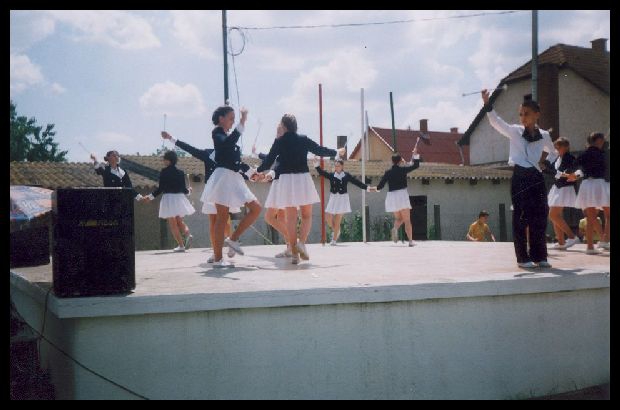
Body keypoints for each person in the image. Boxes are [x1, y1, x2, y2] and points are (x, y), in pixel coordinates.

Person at [481, 90, 556, 268]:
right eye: (521, 114)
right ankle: (523, 258)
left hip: (536, 176)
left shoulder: (544, 135)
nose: (523, 117)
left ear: (537, 115)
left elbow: (553, 153)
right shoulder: (515, 131)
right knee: (521, 217)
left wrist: (546, 164)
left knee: (540, 215)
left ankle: (540, 256)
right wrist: (487, 103)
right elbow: (496, 122)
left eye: (526, 113)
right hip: (520, 175)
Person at [257, 114, 342, 264]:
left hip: (286, 180)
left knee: (290, 218)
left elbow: (268, 160)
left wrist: (256, 172)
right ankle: (301, 243)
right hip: (302, 179)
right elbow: (319, 150)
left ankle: (295, 254)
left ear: (284, 126)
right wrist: (336, 152)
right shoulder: (303, 139)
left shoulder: (279, 141)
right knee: (306, 215)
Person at [161, 131, 239, 261]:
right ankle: (216, 252)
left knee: (224, 219)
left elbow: (238, 167)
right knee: (213, 222)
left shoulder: (231, 153)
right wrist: (171, 138)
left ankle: (230, 241)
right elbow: (190, 149)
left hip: (225, 189)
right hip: (211, 190)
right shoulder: (207, 153)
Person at [201, 106, 262, 267]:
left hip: (235, 178)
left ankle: (233, 239)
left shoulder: (227, 137)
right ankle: (218, 259)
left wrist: (251, 173)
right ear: (221, 118)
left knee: (256, 208)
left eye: (235, 120)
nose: (233, 122)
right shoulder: (217, 133)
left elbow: (236, 162)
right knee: (221, 218)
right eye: (231, 119)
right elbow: (227, 145)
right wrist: (242, 123)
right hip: (223, 177)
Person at [142, 151, 195, 252]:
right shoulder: (180, 172)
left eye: (164, 159)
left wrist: (150, 197)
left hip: (169, 199)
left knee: (173, 224)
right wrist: (189, 191)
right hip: (179, 198)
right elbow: (184, 189)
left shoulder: (164, 172)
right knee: (179, 221)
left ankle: (181, 246)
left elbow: (160, 189)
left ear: (168, 160)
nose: (163, 161)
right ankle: (188, 234)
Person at [566, 132, 610, 254]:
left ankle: (590, 247)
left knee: (590, 218)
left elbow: (576, 167)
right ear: (599, 140)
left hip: (586, 185)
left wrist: (575, 175)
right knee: (607, 214)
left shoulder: (584, 154)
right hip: (599, 184)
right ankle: (605, 240)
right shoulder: (603, 154)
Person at [313, 157, 373, 245]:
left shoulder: (346, 175)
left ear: (342, 166)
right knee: (328, 217)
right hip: (333, 198)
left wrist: (367, 188)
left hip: (342, 199)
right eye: (335, 166)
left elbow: (356, 182)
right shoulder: (332, 175)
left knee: (337, 220)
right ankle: (336, 231)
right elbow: (322, 173)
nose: (336, 167)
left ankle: (334, 240)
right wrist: (316, 165)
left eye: (338, 166)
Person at [373, 149, 420, 247]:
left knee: (399, 218)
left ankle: (395, 228)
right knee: (407, 220)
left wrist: (373, 189)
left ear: (392, 161)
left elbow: (380, 186)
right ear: (400, 161)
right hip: (402, 195)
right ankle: (410, 241)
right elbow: (416, 165)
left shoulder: (388, 172)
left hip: (392, 197)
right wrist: (415, 155)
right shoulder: (403, 170)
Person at [254, 141, 291, 258]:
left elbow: (276, 166)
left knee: (269, 217)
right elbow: (268, 158)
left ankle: (294, 241)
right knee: (281, 219)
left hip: (280, 187)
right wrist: (256, 153)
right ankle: (290, 247)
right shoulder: (280, 154)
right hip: (282, 186)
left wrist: (268, 175)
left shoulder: (284, 155)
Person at [543, 137, 580, 250]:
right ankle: (561, 242)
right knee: (555, 215)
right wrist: (545, 167)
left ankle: (572, 237)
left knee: (553, 215)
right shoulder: (557, 158)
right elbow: (551, 170)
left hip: (565, 188)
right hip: (557, 187)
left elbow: (569, 173)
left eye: (559, 146)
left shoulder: (570, 158)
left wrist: (556, 173)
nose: (557, 148)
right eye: (556, 146)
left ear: (566, 147)